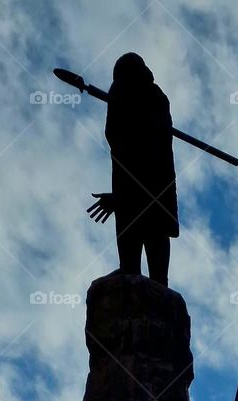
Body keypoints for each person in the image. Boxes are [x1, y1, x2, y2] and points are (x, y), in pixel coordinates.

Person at [87, 53, 179, 286]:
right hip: (127, 188)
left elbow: (154, 153)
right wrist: (119, 199)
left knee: (157, 272)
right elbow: (115, 137)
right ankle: (129, 271)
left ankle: (157, 289)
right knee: (129, 267)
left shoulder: (155, 98)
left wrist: (121, 198)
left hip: (155, 191)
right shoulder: (118, 99)